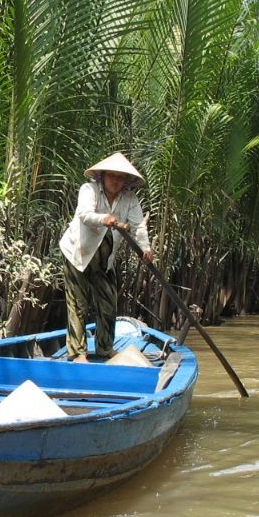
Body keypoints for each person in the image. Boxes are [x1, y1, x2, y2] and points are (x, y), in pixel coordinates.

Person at [58, 152, 153, 362]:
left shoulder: (130, 199)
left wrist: (145, 248)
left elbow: (138, 226)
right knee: (78, 304)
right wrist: (104, 219)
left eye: (121, 178)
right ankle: (78, 352)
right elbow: (84, 214)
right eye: (112, 176)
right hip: (78, 254)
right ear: (103, 176)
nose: (116, 181)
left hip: (104, 260)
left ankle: (104, 348)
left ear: (126, 181)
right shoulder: (89, 189)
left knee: (108, 304)